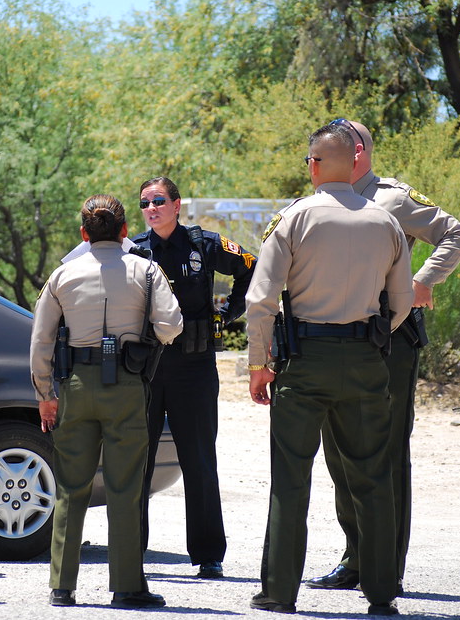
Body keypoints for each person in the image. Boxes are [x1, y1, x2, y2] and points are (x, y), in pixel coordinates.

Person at [245, 121, 412, 616]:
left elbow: (261, 300)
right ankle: (381, 594)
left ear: (316, 165)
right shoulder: (386, 222)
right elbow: (402, 302)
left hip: (305, 361)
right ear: (354, 162)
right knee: (372, 477)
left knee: (291, 478)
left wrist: (259, 363)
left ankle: (279, 592)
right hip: (365, 361)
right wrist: (368, 335)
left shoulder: (294, 218)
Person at [308, 119, 460, 593]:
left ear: (357, 152)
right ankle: (356, 557)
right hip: (338, 339)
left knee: (385, 451)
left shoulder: (393, 198)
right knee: (340, 450)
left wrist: (422, 281)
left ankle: (386, 567)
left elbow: (456, 235)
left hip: (389, 337)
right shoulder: (322, 199)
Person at [30, 194, 183, 609]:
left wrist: (45, 394)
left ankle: (62, 586)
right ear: (124, 231)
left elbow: (41, 340)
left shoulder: (63, 274)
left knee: (71, 487)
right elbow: (171, 325)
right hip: (127, 387)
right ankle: (127, 586)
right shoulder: (146, 270)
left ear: (84, 234)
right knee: (125, 486)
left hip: (76, 385)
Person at [131, 176, 257, 579]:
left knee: (199, 459)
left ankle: (208, 554)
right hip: (147, 368)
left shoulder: (203, 244)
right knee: (137, 459)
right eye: (145, 203)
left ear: (177, 204)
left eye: (158, 201)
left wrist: (228, 314)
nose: (151, 209)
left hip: (194, 367)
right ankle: (131, 551)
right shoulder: (135, 250)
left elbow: (251, 268)